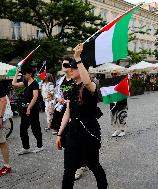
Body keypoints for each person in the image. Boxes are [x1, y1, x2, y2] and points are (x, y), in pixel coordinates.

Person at [56, 43, 108, 189]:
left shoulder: (90, 85)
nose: (70, 70)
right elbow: (67, 112)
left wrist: (78, 57)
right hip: (73, 132)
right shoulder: (71, 88)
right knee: (69, 169)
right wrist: (60, 134)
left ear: (81, 68)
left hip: (89, 131)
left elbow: (86, 81)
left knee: (93, 165)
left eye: (73, 68)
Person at [12, 66, 43, 155]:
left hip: (33, 109)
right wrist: (16, 73)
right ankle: (26, 147)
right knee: (23, 128)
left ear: (29, 74)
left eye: (25, 74)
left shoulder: (35, 83)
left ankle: (40, 146)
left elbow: (35, 97)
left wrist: (29, 108)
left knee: (35, 127)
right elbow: (14, 84)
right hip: (25, 108)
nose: (24, 75)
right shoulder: (26, 82)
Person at [51, 57, 75, 135]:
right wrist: (58, 98)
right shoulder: (60, 80)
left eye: (66, 64)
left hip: (71, 109)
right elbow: (56, 92)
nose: (63, 66)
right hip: (61, 109)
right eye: (62, 64)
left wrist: (70, 100)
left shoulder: (75, 79)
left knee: (71, 132)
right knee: (61, 134)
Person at [110, 70, 128, 137]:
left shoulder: (122, 81)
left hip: (121, 102)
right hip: (113, 102)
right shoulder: (110, 82)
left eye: (115, 74)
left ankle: (122, 130)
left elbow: (126, 89)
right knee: (113, 117)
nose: (113, 75)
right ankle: (116, 130)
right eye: (112, 74)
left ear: (118, 74)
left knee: (121, 116)